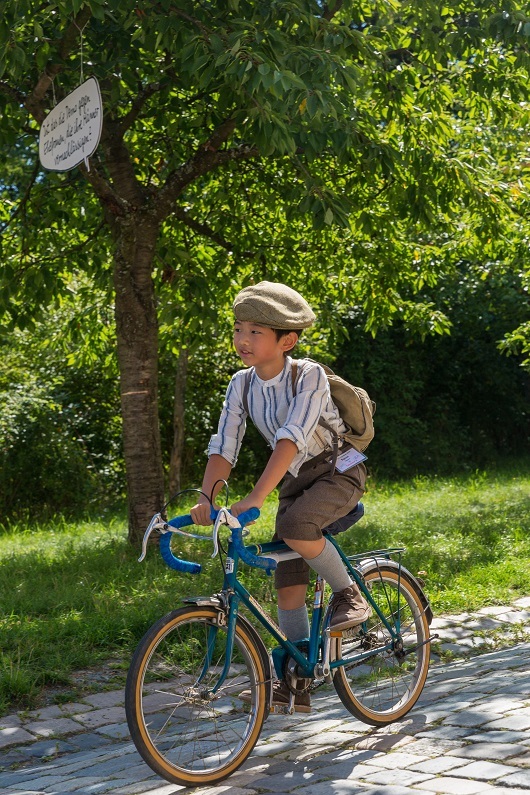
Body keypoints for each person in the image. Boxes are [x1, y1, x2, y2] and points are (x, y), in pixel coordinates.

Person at [190, 281, 370, 712]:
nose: (241, 340)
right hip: (294, 481)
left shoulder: (307, 376)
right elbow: (224, 445)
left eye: (254, 332)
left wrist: (253, 499)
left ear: (286, 340)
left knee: (293, 527)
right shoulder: (241, 384)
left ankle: (349, 593)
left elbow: (291, 439)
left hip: (337, 470)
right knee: (287, 579)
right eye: (238, 329)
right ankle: (298, 680)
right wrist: (207, 499)